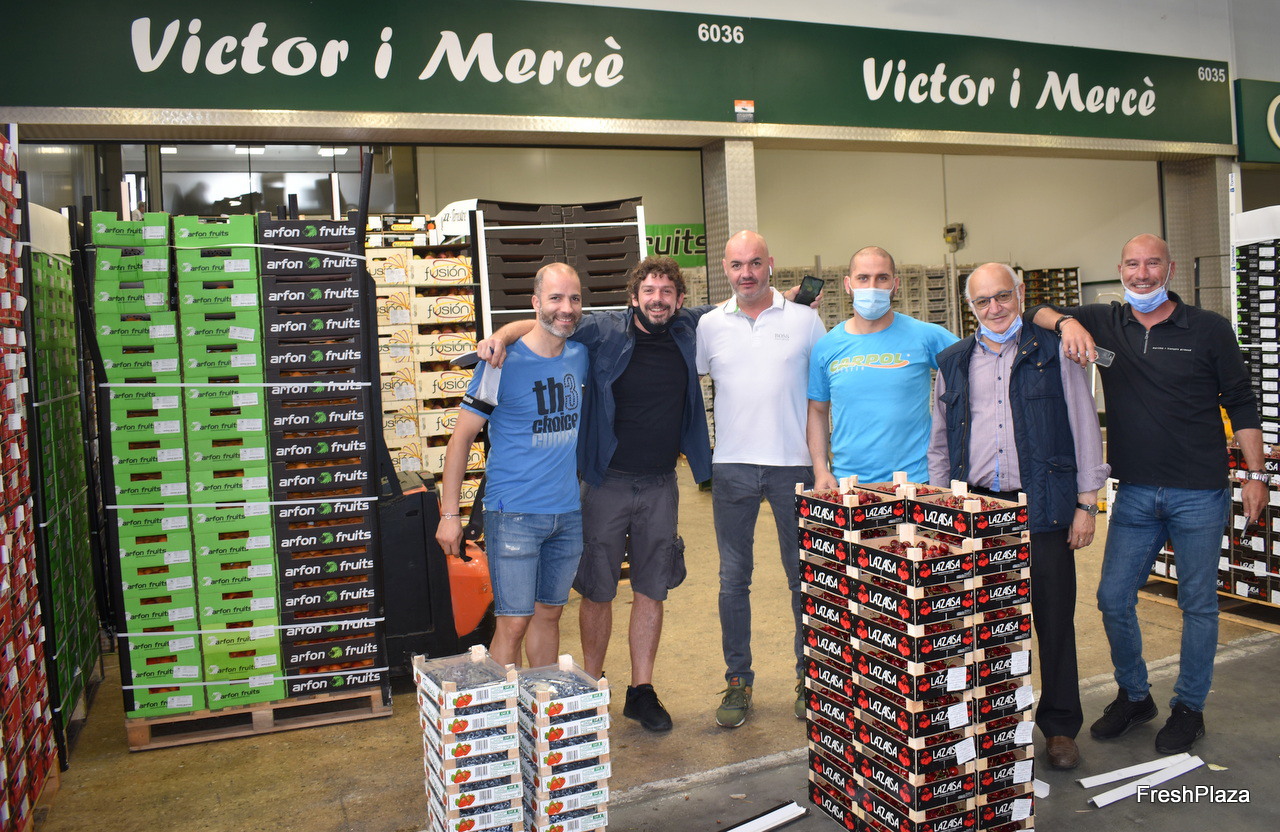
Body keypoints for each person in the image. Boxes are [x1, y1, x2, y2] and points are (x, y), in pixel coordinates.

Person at [1033, 233, 1265, 755]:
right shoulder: (1105, 320)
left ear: (1170, 268)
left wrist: (1256, 475)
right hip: (1134, 492)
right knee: (1113, 598)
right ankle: (1136, 696)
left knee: (1198, 603)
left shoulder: (1209, 328)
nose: (1142, 274)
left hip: (1199, 492)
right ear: (1120, 270)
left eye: (1152, 263)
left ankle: (1189, 707)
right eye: (1133, 264)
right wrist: (1068, 323)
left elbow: (1242, 401)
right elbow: (1035, 312)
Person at [475, 255, 712, 733]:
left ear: (680, 300)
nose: (658, 300)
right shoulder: (603, 330)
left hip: (662, 484)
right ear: (633, 297)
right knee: (598, 589)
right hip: (605, 483)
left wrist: (789, 298)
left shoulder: (689, 329)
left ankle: (641, 691)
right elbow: (546, 322)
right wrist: (500, 335)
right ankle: (591, 684)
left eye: (667, 292)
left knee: (651, 590)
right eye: (649, 291)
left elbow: (738, 304)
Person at [928, 262, 1110, 770]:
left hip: (1044, 505)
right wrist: (942, 509)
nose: (994, 308)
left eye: (1003, 296)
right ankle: (998, 725)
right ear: (970, 306)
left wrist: (1086, 503)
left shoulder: (1054, 350)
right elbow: (940, 442)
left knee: (1054, 621)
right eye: (982, 301)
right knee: (986, 626)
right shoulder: (953, 361)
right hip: (980, 510)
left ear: (1021, 294)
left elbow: (1084, 425)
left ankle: (1060, 727)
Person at [696, 230, 827, 727]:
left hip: (794, 465)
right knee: (733, 579)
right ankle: (738, 681)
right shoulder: (710, 325)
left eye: (754, 263)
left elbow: (822, 396)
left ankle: (809, 675)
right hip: (732, 468)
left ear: (770, 264)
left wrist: (823, 465)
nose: (746, 273)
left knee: (803, 576)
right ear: (725, 270)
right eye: (737, 265)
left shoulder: (806, 321)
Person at [436, 262, 588, 668]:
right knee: (513, 623)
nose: (566, 308)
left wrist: (505, 331)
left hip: (567, 514)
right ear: (536, 302)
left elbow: (546, 326)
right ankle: (504, 709)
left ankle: (543, 699)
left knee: (549, 615)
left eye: (574, 298)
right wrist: (449, 515)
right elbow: (460, 439)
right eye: (555, 298)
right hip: (513, 514)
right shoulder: (498, 364)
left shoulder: (580, 355)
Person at [807, 246, 957, 488]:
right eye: (863, 278)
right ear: (848, 284)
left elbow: (977, 364)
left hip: (916, 482)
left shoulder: (925, 336)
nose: (872, 287)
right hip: (849, 483)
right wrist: (820, 469)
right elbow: (817, 411)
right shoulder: (826, 347)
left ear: (895, 284)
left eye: (882, 278)